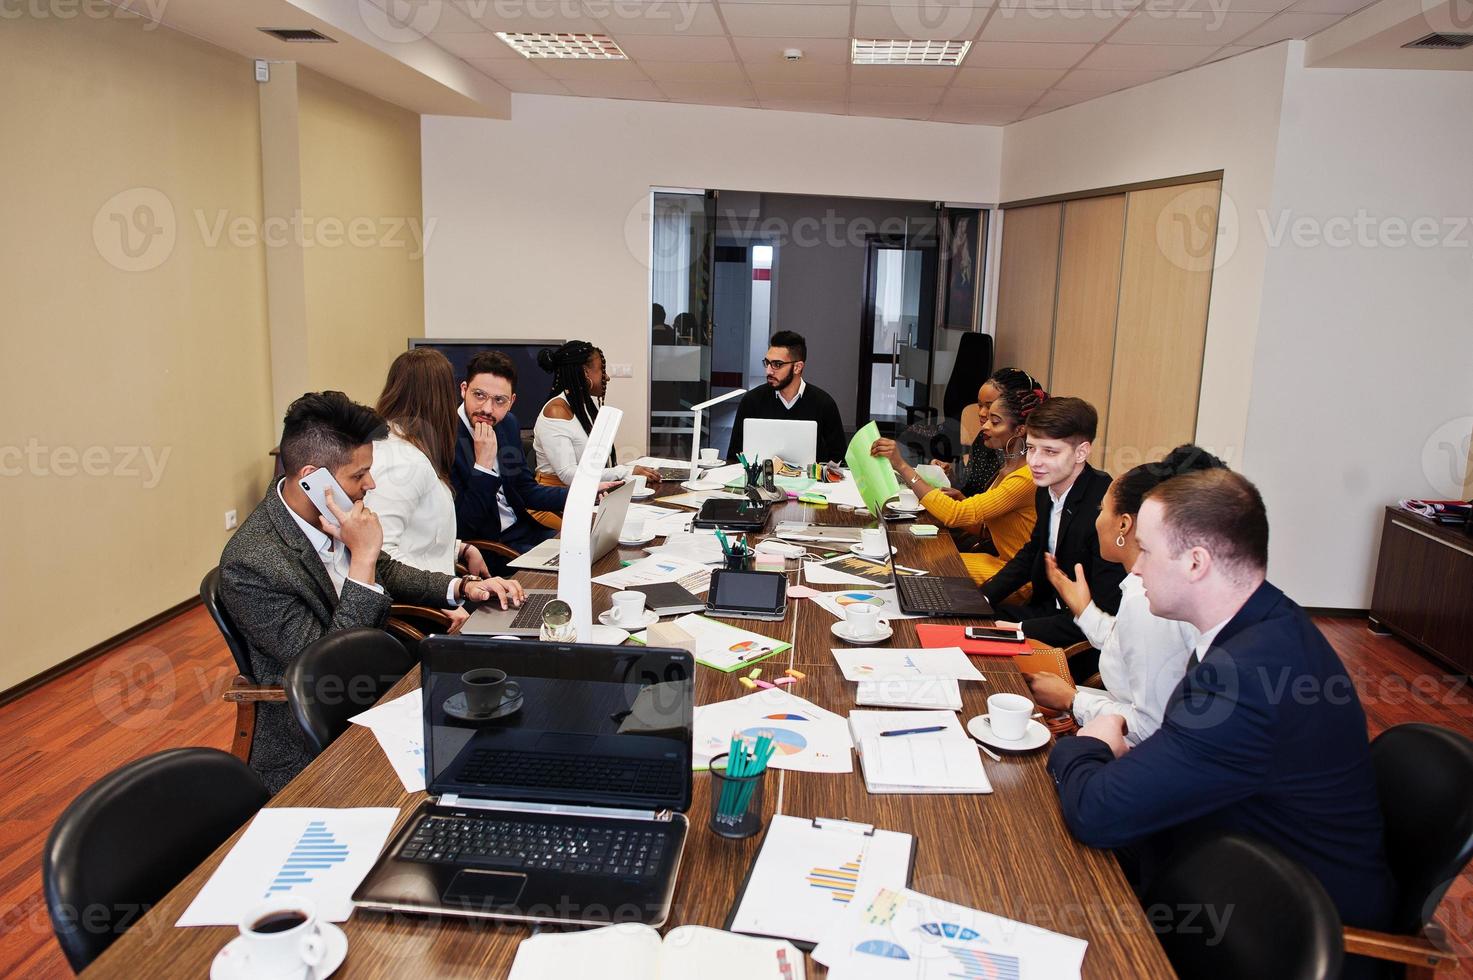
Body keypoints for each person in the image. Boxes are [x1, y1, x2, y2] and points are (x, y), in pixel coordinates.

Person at [1045, 469, 1393, 975]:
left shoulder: (1245, 678)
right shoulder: (1264, 622)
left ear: (1195, 562)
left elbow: (1097, 812)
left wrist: (1086, 744)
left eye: (1146, 551)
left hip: (1277, 934)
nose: (1136, 570)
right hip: (1232, 865)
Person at [219, 391, 524, 792]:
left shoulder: (331, 510)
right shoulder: (252, 563)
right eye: (358, 475)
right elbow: (326, 670)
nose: (371, 484)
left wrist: (465, 585)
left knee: (504, 708)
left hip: (383, 693)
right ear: (312, 479)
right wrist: (361, 558)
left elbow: (389, 571)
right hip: (319, 736)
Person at [1024, 445, 1225, 744]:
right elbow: (1129, 645)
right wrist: (1084, 609)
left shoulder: (1149, 599)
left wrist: (1072, 700)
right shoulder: (1141, 584)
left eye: (1101, 509)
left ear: (1124, 524)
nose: (1097, 520)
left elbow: (1151, 728)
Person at [979, 397, 1126, 680]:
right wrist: (983, 596)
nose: (1035, 461)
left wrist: (1021, 629)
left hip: (1082, 634)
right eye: (1032, 449)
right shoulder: (1046, 489)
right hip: (1046, 610)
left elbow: (1105, 612)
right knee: (966, 620)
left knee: (986, 652)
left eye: (1050, 451)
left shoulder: (1103, 508)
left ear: (1081, 452)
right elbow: (1033, 550)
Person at [871, 369, 1043, 587]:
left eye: (994, 420)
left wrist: (902, 466)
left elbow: (957, 515)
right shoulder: (1012, 466)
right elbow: (986, 528)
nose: (985, 424)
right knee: (913, 557)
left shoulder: (1025, 477)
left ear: (1019, 429)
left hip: (1014, 577)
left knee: (913, 564)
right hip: (1001, 561)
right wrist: (963, 499)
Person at [364, 349, 493, 634]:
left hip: (438, 597)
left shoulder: (404, 447)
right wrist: (445, 599)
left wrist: (460, 548)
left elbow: (415, 530)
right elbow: (380, 554)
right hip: (424, 615)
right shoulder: (402, 461)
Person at [452, 350, 572, 553]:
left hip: (526, 532)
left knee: (591, 554)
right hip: (491, 548)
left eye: (499, 400)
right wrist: (483, 467)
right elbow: (462, 527)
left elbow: (526, 490)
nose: (488, 409)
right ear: (464, 390)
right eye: (479, 395)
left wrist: (583, 493)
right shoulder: (447, 436)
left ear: (512, 401)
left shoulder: (507, 423)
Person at [533, 341, 660, 487]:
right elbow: (568, 474)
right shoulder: (556, 411)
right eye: (601, 370)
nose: (606, 377)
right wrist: (625, 471)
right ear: (585, 372)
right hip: (555, 497)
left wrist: (627, 471)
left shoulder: (582, 406)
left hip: (583, 490)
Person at [726, 330, 846, 464]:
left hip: (811, 483)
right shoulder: (752, 401)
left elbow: (839, 460)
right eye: (767, 363)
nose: (768, 371)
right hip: (760, 483)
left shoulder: (824, 404)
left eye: (777, 364)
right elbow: (734, 457)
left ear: (797, 367)